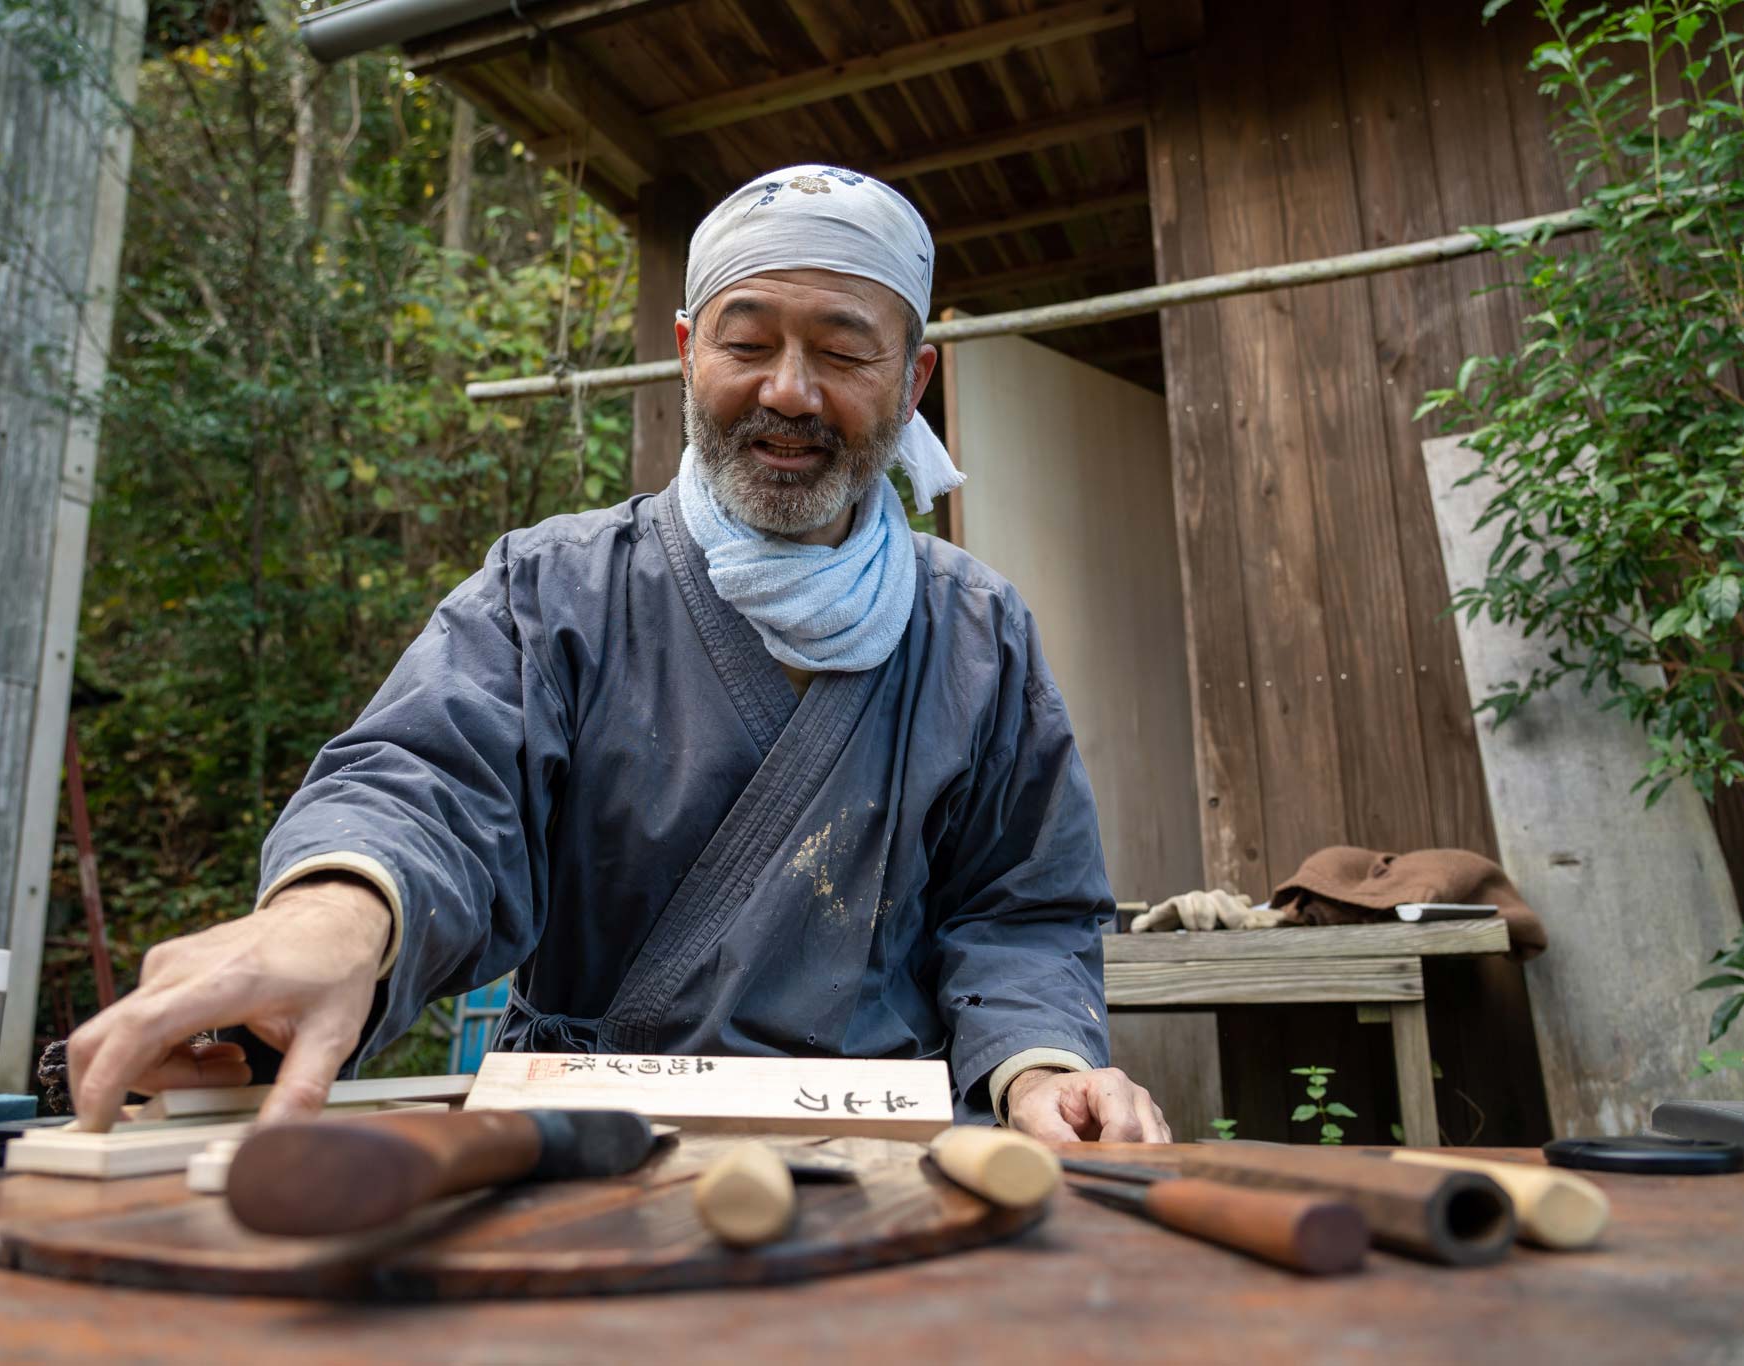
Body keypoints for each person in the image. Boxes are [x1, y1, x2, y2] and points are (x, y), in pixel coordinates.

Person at [68, 164, 1168, 1143]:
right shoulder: (551, 587)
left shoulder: (975, 630)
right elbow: (431, 784)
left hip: (878, 1157)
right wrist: (339, 914)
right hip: (578, 1146)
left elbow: (1018, 907)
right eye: (746, 344)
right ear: (689, 354)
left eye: (841, 351)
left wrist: (1035, 1065)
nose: (788, 390)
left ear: (913, 378)